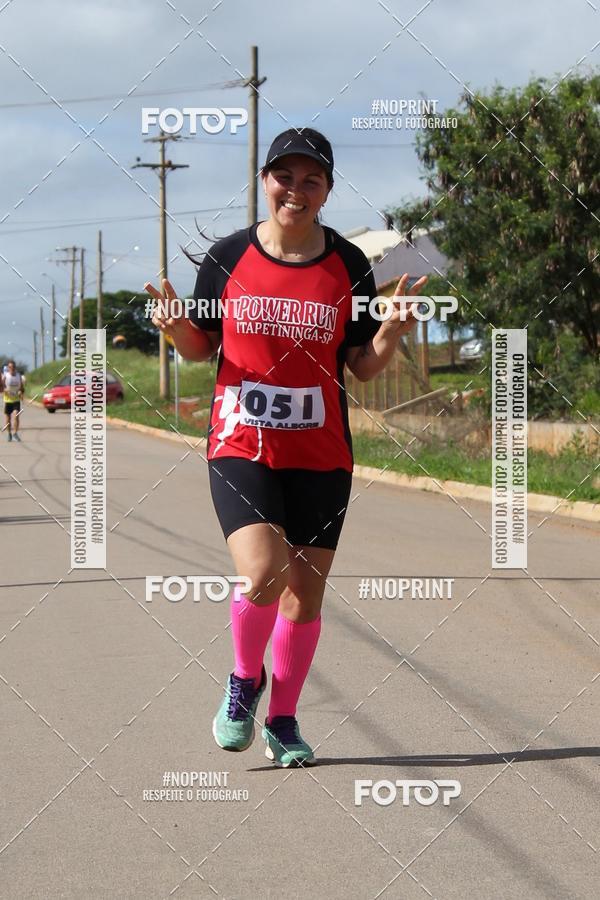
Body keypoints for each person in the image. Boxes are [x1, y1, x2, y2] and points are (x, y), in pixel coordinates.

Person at [145, 127, 427, 767]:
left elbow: (362, 365)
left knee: (305, 595)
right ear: (265, 180)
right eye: (284, 177)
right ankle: (246, 680)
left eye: (311, 180)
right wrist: (174, 329)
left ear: (326, 190)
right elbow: (202, 348)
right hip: (241, 441)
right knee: (263, 574)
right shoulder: (227, 258)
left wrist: (390, 335)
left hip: (322, 453)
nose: (295, 191)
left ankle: (284, 719)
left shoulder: (350, 266)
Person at [3, 359, 25, 442]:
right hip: (8, 400)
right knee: (8, 419)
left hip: (16, 400)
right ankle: (9, 433)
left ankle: (15, 433)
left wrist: (21, 392)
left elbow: (22, 388)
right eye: (10, 367)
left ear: (15, 368)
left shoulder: (18, 376)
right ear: (8, 368)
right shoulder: (5, 376)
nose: (11, 368)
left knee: (16, 415)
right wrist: (6, 390)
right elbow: (1, 388)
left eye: (13, 367)